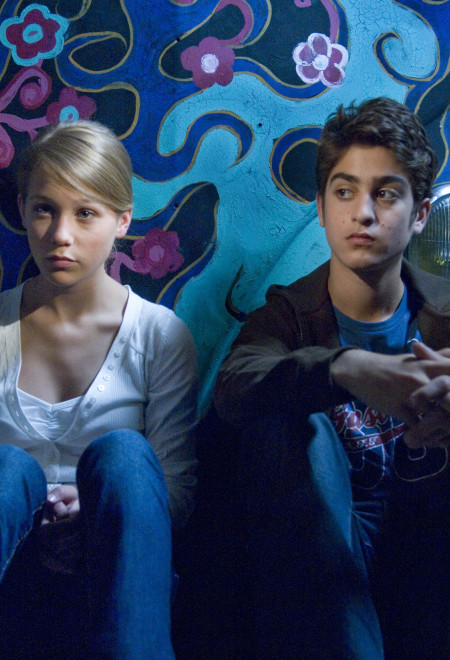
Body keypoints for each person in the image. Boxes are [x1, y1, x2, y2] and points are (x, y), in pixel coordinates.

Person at [214, 97, 450, 659]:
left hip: (428, 557)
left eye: (386, 194)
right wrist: (344, 368)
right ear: (320, 208)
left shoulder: (446, 313)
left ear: (420, 214)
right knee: (288, 424)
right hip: (321, 558)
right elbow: (234, 386)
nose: (362, 213)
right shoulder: (289, 316)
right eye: (344, 192)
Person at [0, 120, 198, 658]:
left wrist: (93, 511)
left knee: (125, 456)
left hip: (116, 583)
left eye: (85, 213)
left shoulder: (159, 335)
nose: (60, 235)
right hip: (11, 583)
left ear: (122, 219)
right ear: (22, 210)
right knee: (9, 469)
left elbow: (176, 493)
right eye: (45, 209)